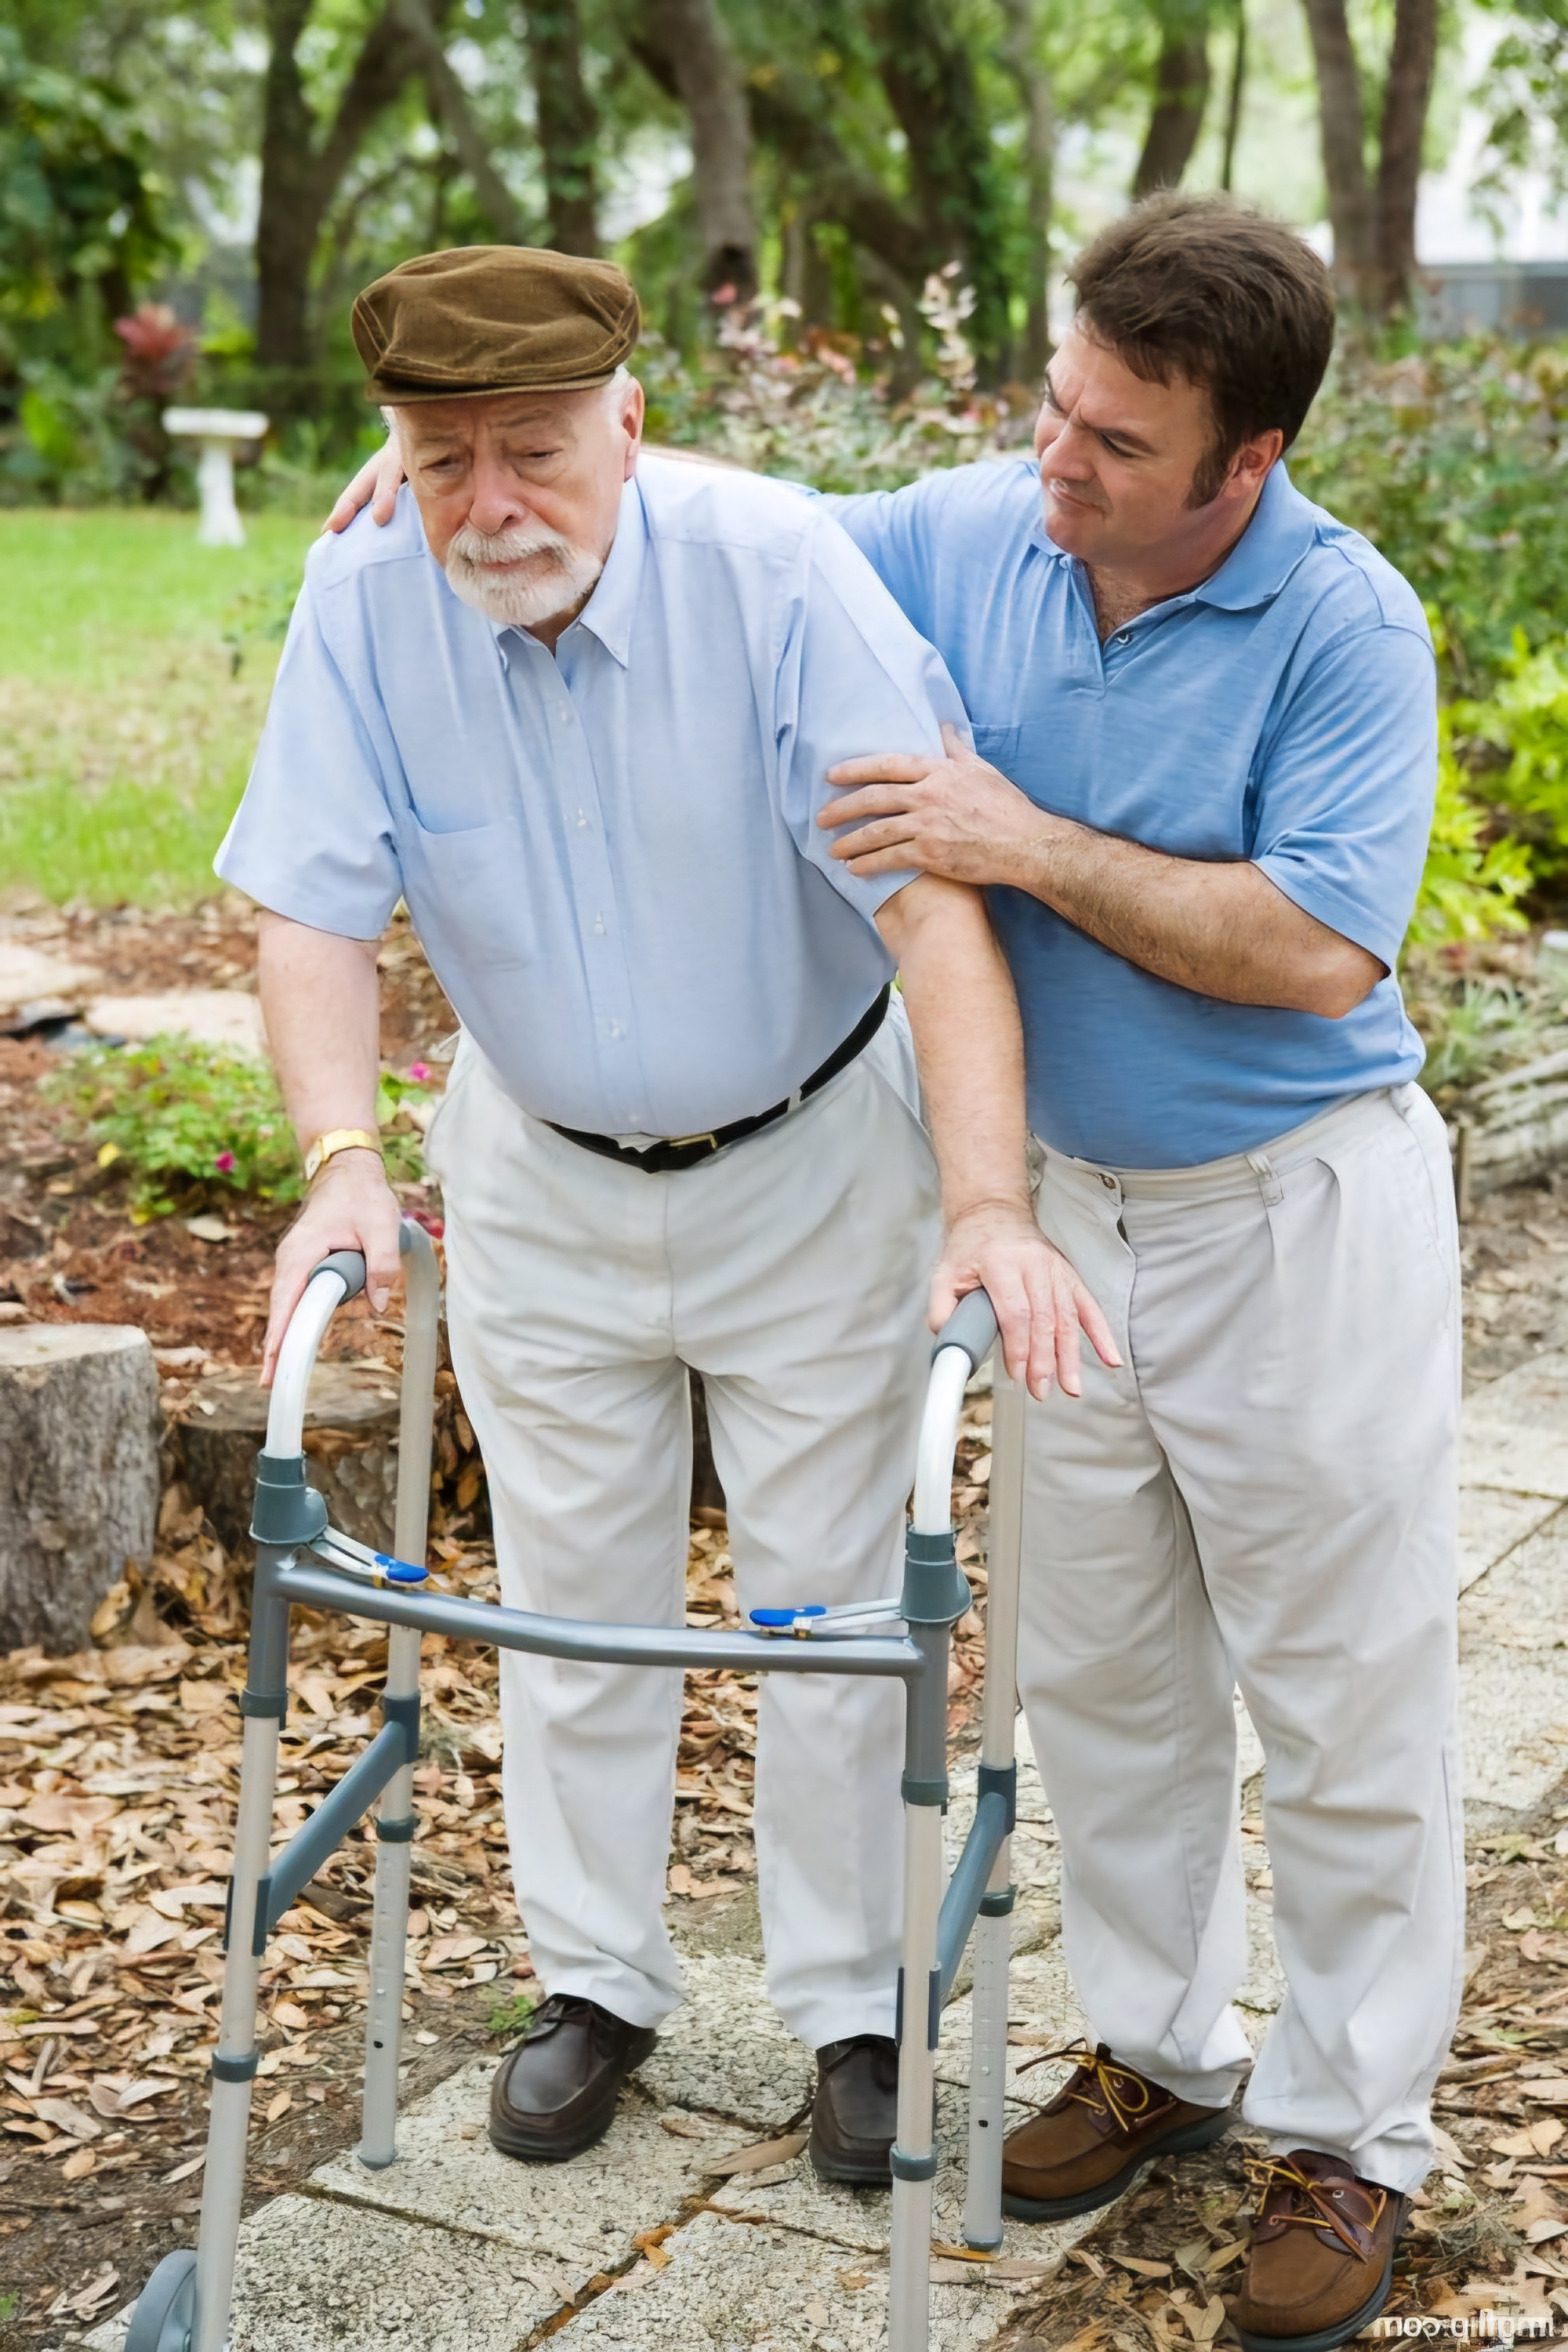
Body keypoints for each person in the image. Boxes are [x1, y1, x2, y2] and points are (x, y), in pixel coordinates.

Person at [330, 197, 1460, 2352]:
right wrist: (456, 459)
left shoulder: (1345, 627)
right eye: (1052, 413)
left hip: (1291, 1207)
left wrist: (1012, 837)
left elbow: (1318, 947)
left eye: (1116, 448)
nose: (1056, 471)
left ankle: (1354, 2129)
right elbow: (689, 514)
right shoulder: (984, 529)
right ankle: (1165, 2052)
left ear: (1245, 462)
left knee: (1338, 1696)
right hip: (1061, 1219)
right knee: (1105, 1682)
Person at [225, 244, 1112, 2191]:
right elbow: (309, 899)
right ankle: (598, 1983)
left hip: (808, 1164)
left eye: (531, 450)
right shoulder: (366, 593)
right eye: (442, 460)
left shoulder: (776, 575)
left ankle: (852, 2007)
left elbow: (926, 912)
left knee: (824, 1603)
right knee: (575, 1606)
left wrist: (983, 1200)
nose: (490, 507)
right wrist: (340, 1158)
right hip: (541, 1170)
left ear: (633, 424)